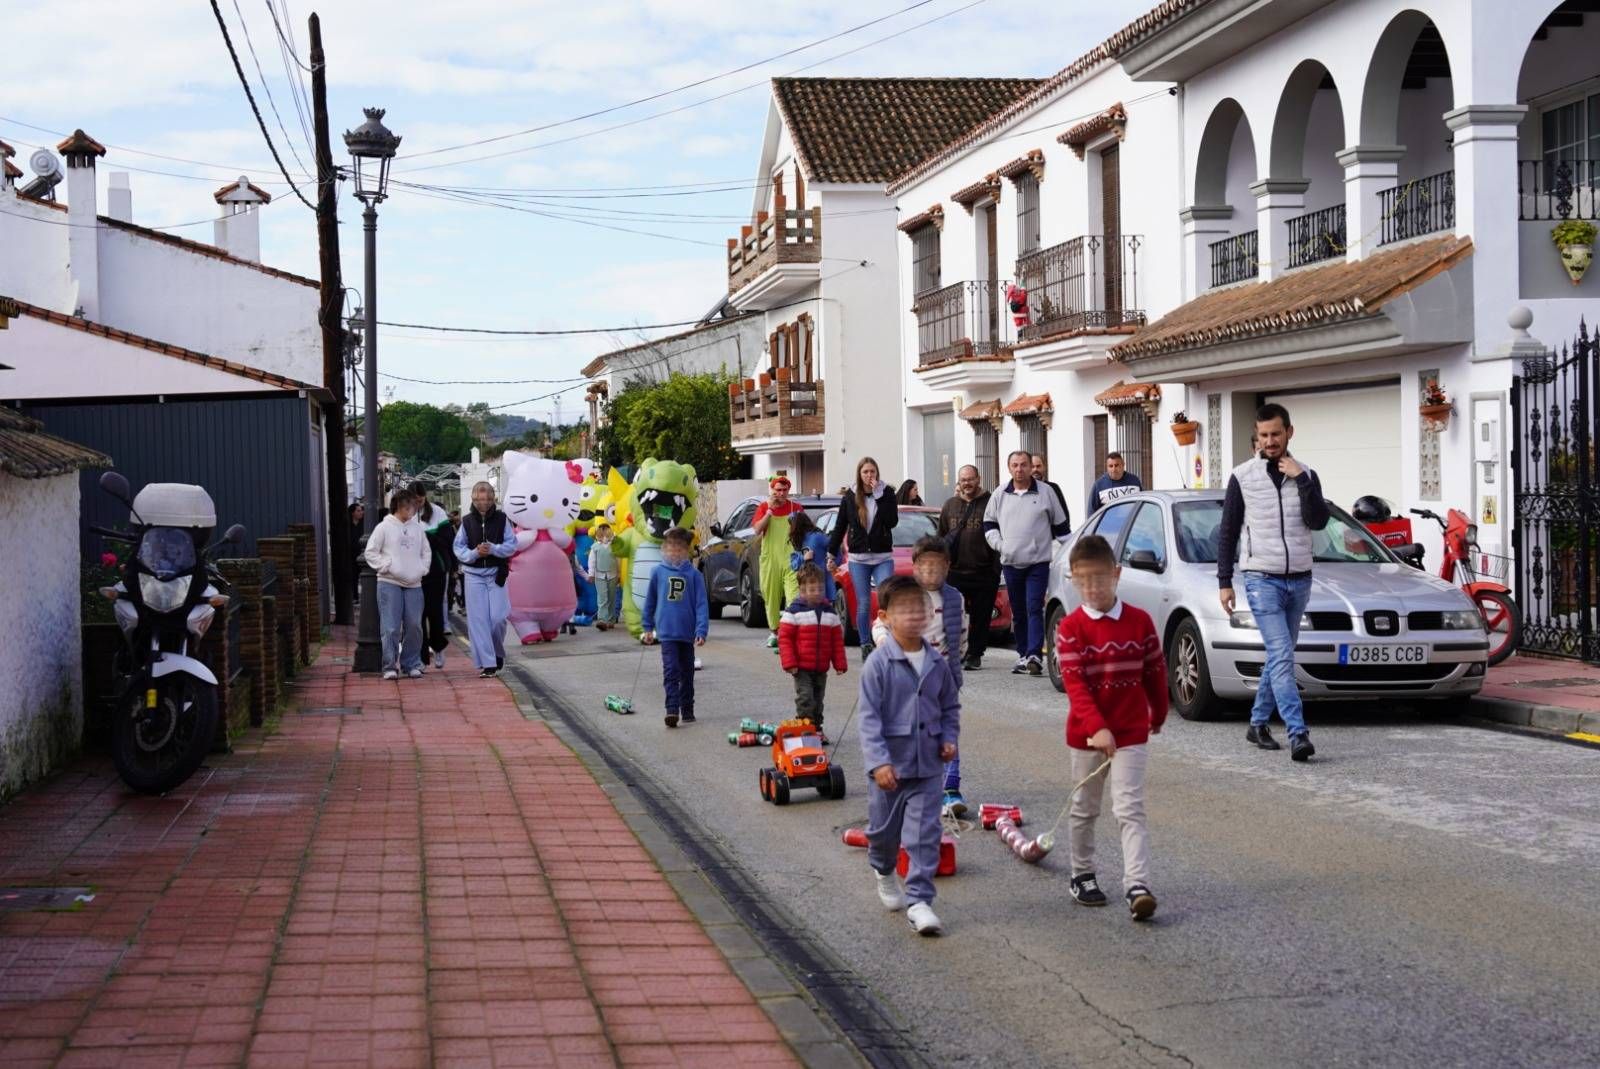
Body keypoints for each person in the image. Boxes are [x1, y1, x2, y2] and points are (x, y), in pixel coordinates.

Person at [1054, 534, 1167, 921]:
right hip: (1087, 734)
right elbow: (1075, 686)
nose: (1092, 588)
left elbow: (1155, 670)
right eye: (1082, 580)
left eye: (1100, 578)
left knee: (1129, 808)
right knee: (1085, 808)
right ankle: (1082, 874)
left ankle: (1138, 884)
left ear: (1116, 575)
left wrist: (1160, 709)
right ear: (1072, 580)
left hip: (1131, 729)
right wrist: (1098, 728)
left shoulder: (1139, 621)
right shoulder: (1070, 628)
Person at [1218, 402, 1330, 762]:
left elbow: (1319, 521)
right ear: (1257, 436)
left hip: (1299, 578)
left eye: (1276, 434)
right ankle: (1298, 732)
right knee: (1282, 654)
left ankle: (1257, 723)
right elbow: (1228, 531)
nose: (1270, 441)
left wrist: (1302, 480)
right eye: (1264, 435)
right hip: (1260, 577)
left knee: (1279, 656)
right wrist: (1225, 581)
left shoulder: (1307, 473)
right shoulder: (1242, 476)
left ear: (1289, 433)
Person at [858, 575, 960, 937]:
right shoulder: (879, 664)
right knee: (884, 834)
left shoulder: (937, 662)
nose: (915, 615)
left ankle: (919, 900)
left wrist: (949, 738)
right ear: (885, 616)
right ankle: (883, 870)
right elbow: (869, 717)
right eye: (905, 609)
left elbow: (949, 706)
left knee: (924, 833)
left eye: (920, 608)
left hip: (928, 765)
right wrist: (878, 762)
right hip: (890, 767)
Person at [870, 538, 967, 813]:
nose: (930, 572)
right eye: (924, 566)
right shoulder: (904, 596)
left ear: (947, 568)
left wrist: (954, 667)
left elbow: (961, 635)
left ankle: (950, 790)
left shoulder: (954, 598)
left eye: (937, 567)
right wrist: (883, 643)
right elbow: (880, 624)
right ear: (914, 567)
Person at [984, 450, 1070, 676]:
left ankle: (1034, 654)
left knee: (1034, 606)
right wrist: (1001, 545)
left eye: (1024, 465)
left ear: (1031, 467)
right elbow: (989, 524)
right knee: (1018, 611)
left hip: (1038, 562)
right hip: (1011, 562)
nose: (1019, 469)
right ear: (1008, 467)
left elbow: (1061, 527)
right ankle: (1022, 655)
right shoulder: (1000, 494)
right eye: (1015, 465)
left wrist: (1073, 550)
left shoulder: (1046, 492)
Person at [828, 457, 899, 661]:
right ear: (859, 475)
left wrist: (879, 497)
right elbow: (840, 525)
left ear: (877, 473)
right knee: (864, 602)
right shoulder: (850, 497)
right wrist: (831, 553)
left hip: (882, 556)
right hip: (858, 558)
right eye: (865, 472)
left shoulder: (886, 493)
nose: (870, 476)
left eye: (872, 472)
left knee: (887, 600)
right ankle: (865, 643)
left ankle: (888, 640)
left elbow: (892, 521)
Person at [640, 527, 709, 728]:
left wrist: (701, 630)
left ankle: (687, 708)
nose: (674, 552)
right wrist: (647, 627)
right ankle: (672, 709)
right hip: (666, 632)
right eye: (670, 548)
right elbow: (650, 602)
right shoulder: (658, 572)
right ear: (664, 549)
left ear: (686, 551)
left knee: (687, 672)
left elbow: (701, 604)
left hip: (687, 633)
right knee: (671, 670)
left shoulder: (694, 575)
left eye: (679, 549)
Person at [938, 465, 1000, 673]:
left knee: (981, 617)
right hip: (955, 571)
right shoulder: (950, 505)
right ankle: (956, 652)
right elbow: (941, 537)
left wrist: (995, 568)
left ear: (978, 479)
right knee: (955, 615)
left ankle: (975, 654)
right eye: (963, 479)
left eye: (971, 479)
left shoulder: (991, 503)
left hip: (984, 571)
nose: (967, 483)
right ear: (959, 481)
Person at [453, 481, 518, 678]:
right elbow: (458, 548)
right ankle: (488, 663)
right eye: (481, 499)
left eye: (488, 499)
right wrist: (474, 553)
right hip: (473, 575)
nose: (485, 502)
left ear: (493, 499)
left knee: (498, 618)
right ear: (473, 499)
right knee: (478, 621)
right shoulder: (466, 521)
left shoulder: (502, 519)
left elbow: (512, 545)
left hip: (496, 573)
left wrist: (494, 549)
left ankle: (497, 652)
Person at [365, 488, 430, 680]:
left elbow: (426, 552)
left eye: (413, 506)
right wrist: (386, 566)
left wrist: (422, 569)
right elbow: (371, 552)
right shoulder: (383, 527)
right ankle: (389, 665)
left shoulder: (417, 528)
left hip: (414, 583)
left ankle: (411, 663)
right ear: (399, 507)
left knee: (414, 625)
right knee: (391, 627)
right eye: (408, 506)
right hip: (389, 582)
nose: (412, 510)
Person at [777, 563, 847, 730]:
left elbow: (836, 640)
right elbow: (784, 639)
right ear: (802, 590)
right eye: (812, 589)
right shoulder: (794, 612)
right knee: (805, 697)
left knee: (818, 699)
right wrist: (790, 663)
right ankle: (804, 727)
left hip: (821, 667)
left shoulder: (829, 612)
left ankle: (816, 728)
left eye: (820, 589)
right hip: (801, 667)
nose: (817, 593)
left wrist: (840, 664)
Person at [751, 474, 804, 650]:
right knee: (771, 597)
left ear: (788, 490)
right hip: (770, 559)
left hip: (790, 559)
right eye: (778, 490)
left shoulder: (795, 507)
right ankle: (774, 632)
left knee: (793, 597)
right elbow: (757, 529)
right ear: (772, 490)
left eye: (784, 490)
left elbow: (804, 531)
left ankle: (788, 633)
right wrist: (769, 511)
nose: (781, 493)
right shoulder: (764, 507)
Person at [411, 482, 454, 670]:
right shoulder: (404, 514)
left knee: (434, 612)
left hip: (436, 569)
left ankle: (438, 646)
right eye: (415, 501)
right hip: (413, 570)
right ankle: (420, 657)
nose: (418, 504)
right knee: (416, 615)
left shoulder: (438, 513)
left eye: (421, 500)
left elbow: (447, 541)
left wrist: (427, 537)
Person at [788, 509, 835, 603]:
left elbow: (835, 547)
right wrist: (803, 558)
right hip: (808, 587)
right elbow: (793, 565)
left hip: (821, 587)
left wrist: (832, 562)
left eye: (791, 525)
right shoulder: (798, 541)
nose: (790, 529)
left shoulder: (816, 537)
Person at [1086, 451, 1144, 518]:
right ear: (1107, 467)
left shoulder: (1134, 481)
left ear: (1123, 464)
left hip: (1132, 525)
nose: (1114, 469)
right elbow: (1091, 513)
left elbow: (1142, 504)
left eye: (1116, 465)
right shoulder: (1099, 485)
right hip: (1108, 527)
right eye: (1110, 466)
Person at [587, 522, 620, 632]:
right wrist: (591, 574)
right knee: (602, 598)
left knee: (611, 597)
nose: (604, 535)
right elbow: (592, 561)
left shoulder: (614, 545)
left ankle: (611, 620)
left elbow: (618, 560)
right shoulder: (595, 547)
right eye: (602, 532)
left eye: (606, 532)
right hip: (599, 575)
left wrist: (619, 574)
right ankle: (602, 620)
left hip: (613, 575)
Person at [1031, 455, 1071, 529]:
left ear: (1044, 467)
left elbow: (1064, 515)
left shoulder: (1053, 488)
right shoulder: (1022, 491)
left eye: (1038, 466)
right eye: (1032, 467)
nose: (1035, 469)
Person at [348, 502, 366, 603]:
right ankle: (355, 597)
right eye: (358, 511)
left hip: (363, 554)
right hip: (351, 556)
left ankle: (365, 597)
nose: (361, 512)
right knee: (353, 577)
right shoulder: (348, 525)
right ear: (352, 513)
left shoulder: (363, 525)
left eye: (361, 510)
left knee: (365, 577)